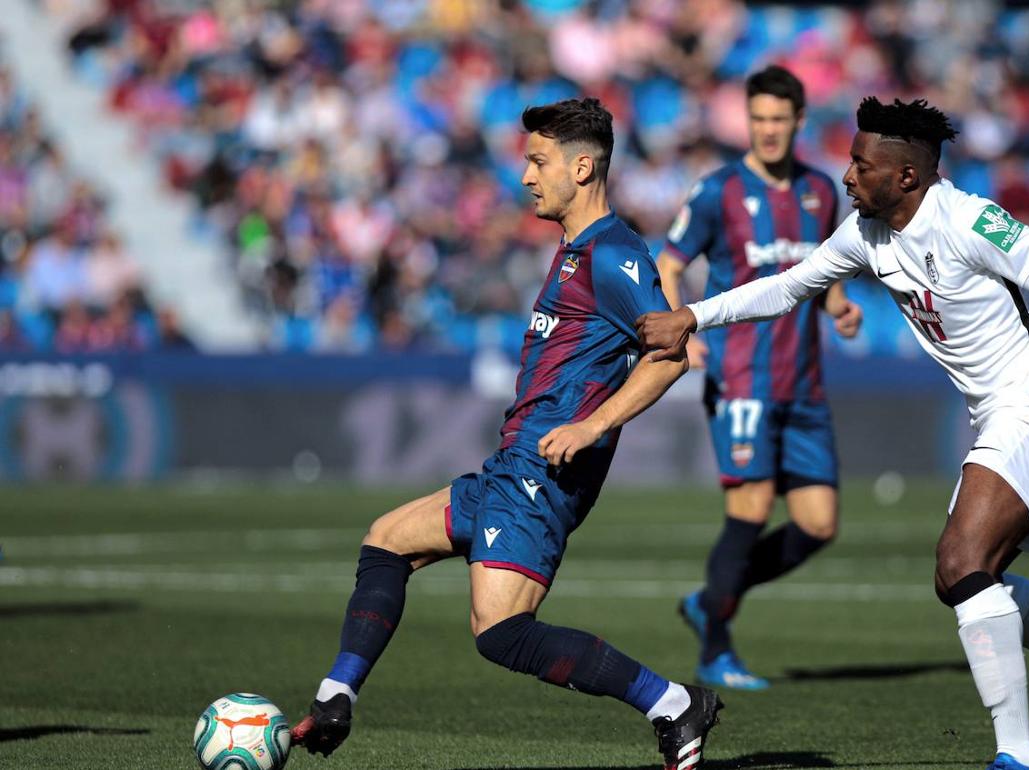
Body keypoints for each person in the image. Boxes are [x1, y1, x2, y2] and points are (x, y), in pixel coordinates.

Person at [637, 97, 1029, 770]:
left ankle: (1018, 756)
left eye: (862, 165)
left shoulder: (972, 220)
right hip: (997, 412)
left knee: (960, 564)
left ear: (907, 177)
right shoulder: (867, 233)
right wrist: (692, 315)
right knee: (967, 580)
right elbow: (787, 286)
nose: (848, 176)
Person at [292, 98, 722, 770]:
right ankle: (337, 693)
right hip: (511, 463)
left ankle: (672, 704)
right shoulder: (575, 251)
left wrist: (593, 424)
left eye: (538, 161)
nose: (525, 175)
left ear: (582, 167)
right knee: (387, 541)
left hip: (543, 472)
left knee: (499, 631)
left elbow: (669, 353)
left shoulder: (614, 253)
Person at [657, 65, 862, 690]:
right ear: (747, 121)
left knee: (818, 524)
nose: (768, 131)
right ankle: (716, 647)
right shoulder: (718, 190)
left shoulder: (822, 192)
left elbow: (821, 273)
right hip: (743, 379)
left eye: (779, 120)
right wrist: (681, 333)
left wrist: (839, 308)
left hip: (805, 382)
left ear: (799, 122)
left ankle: (707, 600)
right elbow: (669, 264)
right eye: (759, 119)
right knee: (747, 512)